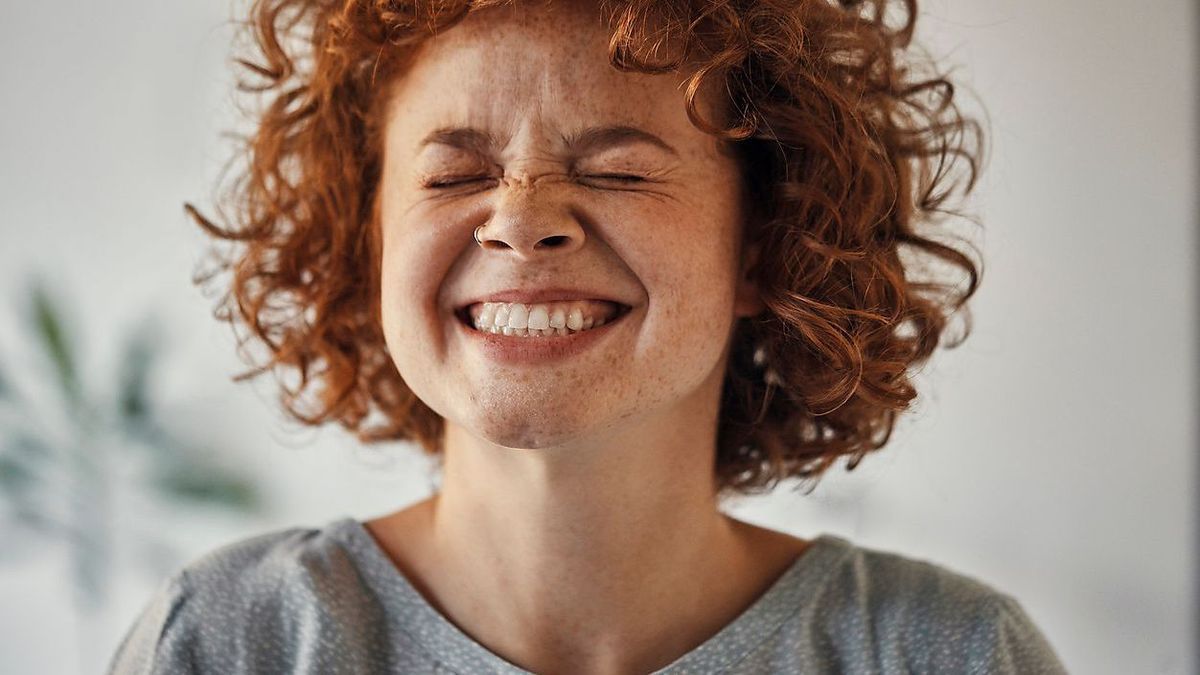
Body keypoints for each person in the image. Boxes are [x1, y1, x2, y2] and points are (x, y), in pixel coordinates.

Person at [108, 0, 1068, 672]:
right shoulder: (227, 642)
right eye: (452, 177)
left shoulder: (948, 653)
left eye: (619, 171)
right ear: (370, 243)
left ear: (767, 249)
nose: (522, 221)